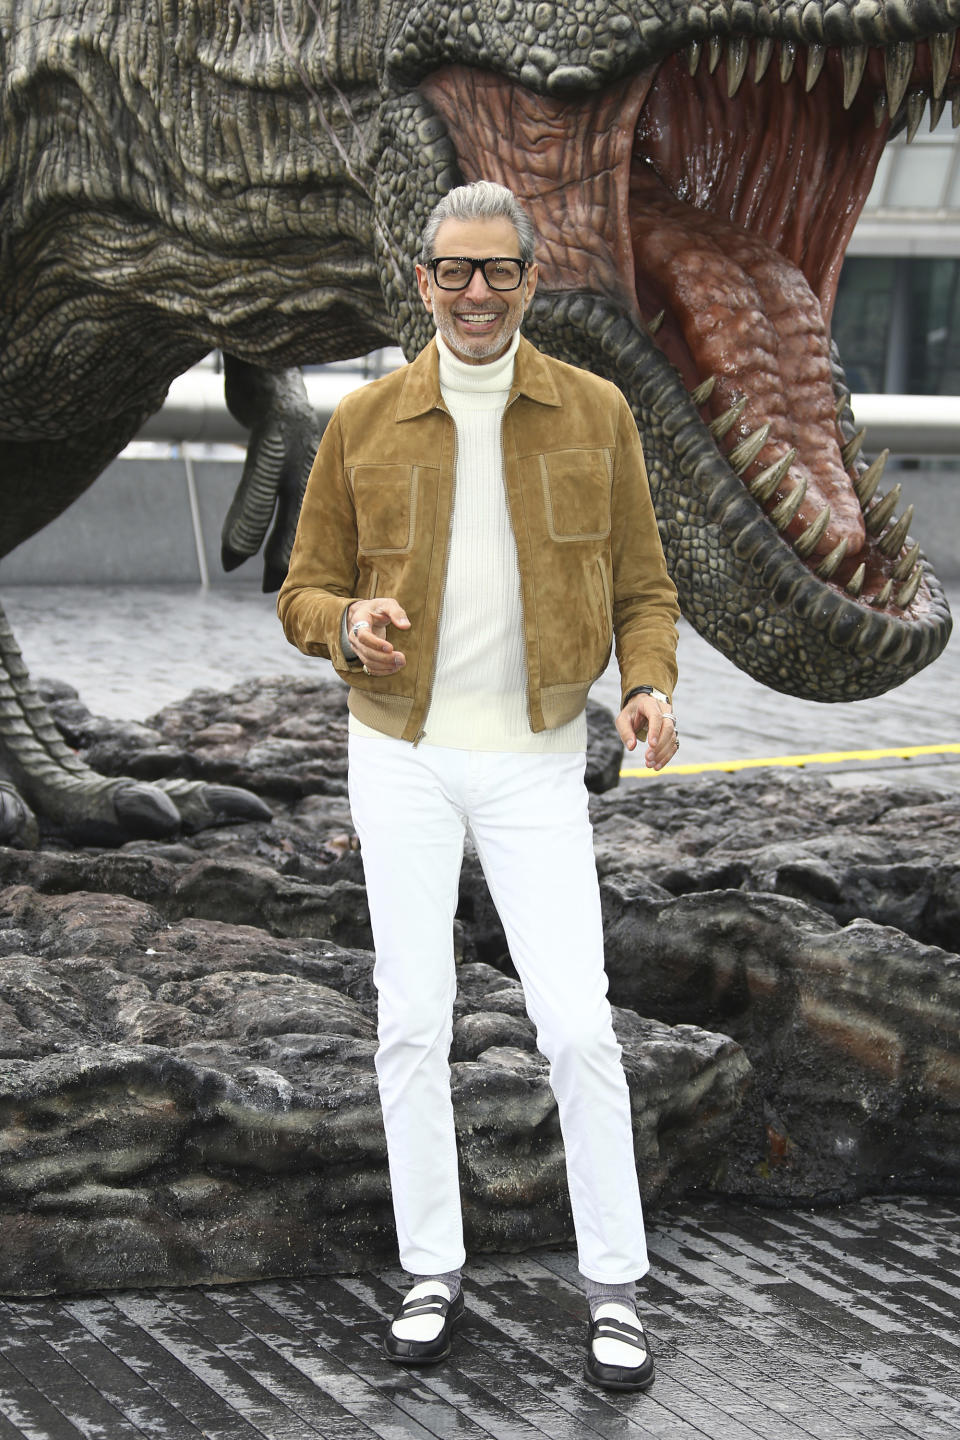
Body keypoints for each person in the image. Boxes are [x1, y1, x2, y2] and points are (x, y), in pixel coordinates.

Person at [278, 180, 680, 1392]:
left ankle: (614, 1290)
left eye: (497, 271)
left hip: (538, 759)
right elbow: (302, 594)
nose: (475, 293)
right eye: (453, 272)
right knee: (412, 1023)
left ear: (528, 282)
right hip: (396, 756)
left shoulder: (596, 413)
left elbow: (645, 590)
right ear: (422, 284)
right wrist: (351, 624)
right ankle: (430, 1270)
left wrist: (649, 682)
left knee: (578, 1026)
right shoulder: (362, 422)